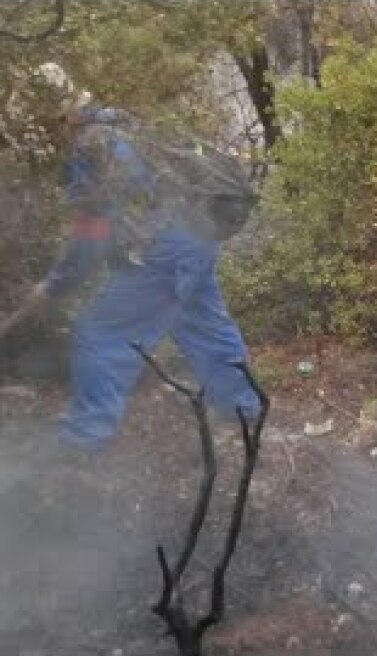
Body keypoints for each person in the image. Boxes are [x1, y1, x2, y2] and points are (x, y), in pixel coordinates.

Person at [5, 63, 259, 451]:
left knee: (99, 333)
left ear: (54, 114)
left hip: (162, 251)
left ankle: (83, 441)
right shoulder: (123, 125)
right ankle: (245, 410)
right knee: (202, 324)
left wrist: (53, 287)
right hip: (197, 237)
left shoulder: (89, 147)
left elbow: (91, 232)